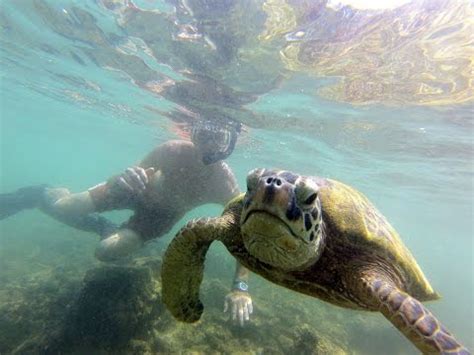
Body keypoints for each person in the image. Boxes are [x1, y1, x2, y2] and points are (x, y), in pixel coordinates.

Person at [0, 119, 253, 326]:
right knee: (62, 207)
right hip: (133, 191)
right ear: (193, 133)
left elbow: (241, 235)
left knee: (106, 252)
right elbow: (126, 176)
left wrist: (240, 287)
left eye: (217, 138)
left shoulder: (225, 184)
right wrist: (122, 178)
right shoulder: (172, 150)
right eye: (201, 135)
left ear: (229, 143)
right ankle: (44, 193)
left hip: (158, 217)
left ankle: (103, 227)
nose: (207, 145)